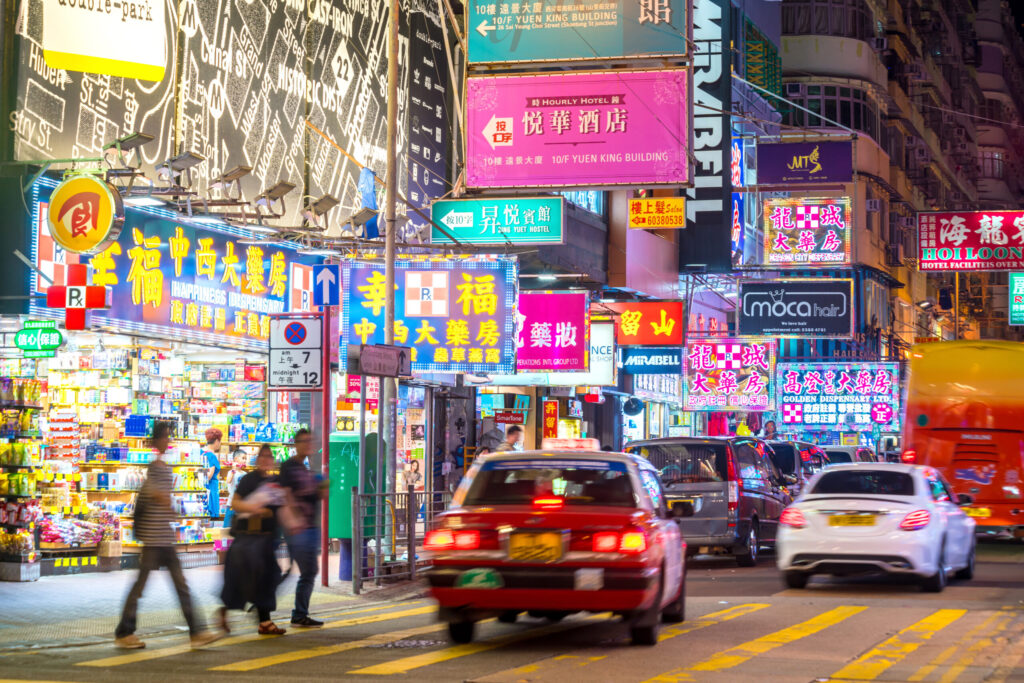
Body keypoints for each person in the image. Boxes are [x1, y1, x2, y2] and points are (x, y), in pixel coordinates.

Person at [115, 422, 221, 649]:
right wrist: (173, 508)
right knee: (162, 586)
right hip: (157, 539)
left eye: (168, 437)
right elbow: (158, 495)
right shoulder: (159, 467)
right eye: (165, 437)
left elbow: (156, 495)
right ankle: (125, 632)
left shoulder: (159, 466)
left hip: (160, 537)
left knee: (171, 586)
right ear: (157, 441)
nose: (168, 441)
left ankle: (196, 631)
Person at [219, 445, 286, 635]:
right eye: (262, 457)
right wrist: (257, 510)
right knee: (246, 579)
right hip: (249, 540)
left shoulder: (275, 482)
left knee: (268, 577)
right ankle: (226, 612)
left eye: (269, 457)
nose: (266, 460)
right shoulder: (249, 479)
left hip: (265, 540)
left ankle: (264, 621)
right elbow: (236, 503)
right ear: (257, 461)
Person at [277, 428, 325, 628]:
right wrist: (294, 521)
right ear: (296, 444)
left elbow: (314, 497)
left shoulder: (306, 469)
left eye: (310, 441)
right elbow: (286, 495)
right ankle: (297, 613)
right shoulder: (289, 467)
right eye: (303, 441)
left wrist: (322, 489)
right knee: (308, 570)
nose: (308, 444)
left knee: (304, 571)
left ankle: (298, 612)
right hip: (298, 529)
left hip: (308, 528)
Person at [222, 450, 247, 528]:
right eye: (243, 458)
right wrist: (233, 469)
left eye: (246, 458)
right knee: (227, 527)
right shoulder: (231, 472)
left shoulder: (245, 474)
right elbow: (228, 481)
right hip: (231, 505)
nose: (245, 460)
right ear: (236, 459)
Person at [202, 428, 222, 518]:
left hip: (201, 489)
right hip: (210, 490)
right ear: (217, 441)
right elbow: (209, 475)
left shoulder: (201, 452)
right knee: (209, 518)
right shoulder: (211, 456)